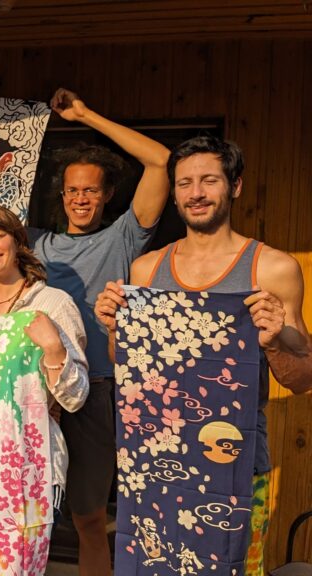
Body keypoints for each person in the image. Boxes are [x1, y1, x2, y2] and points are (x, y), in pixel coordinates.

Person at [0, 87, 170, 576]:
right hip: (21, 396)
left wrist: (85, 115)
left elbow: (159, 162)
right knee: (10, 516)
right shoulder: (36, 243)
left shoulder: (122, 238)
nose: (81, 198)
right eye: (72, 190)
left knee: (88, 518)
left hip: (92, 388)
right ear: (61, 195)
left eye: (91, 190)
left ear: (106, 194)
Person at [94, 136, 312, 574]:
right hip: (155, 465)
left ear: (235, 186)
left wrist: (272, 342)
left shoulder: (271, 269)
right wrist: (115, 328)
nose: (196, 193)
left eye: (209, 180)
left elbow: (303, 378)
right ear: (174, 193)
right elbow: (129, 368)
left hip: (236, 468)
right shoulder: (147, 270)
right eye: (185, 183)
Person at [0, 204, 89, 574]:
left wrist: (54, 349)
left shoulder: (52, 303)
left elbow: (76, 397)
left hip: (27, 468)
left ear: (17, 242)